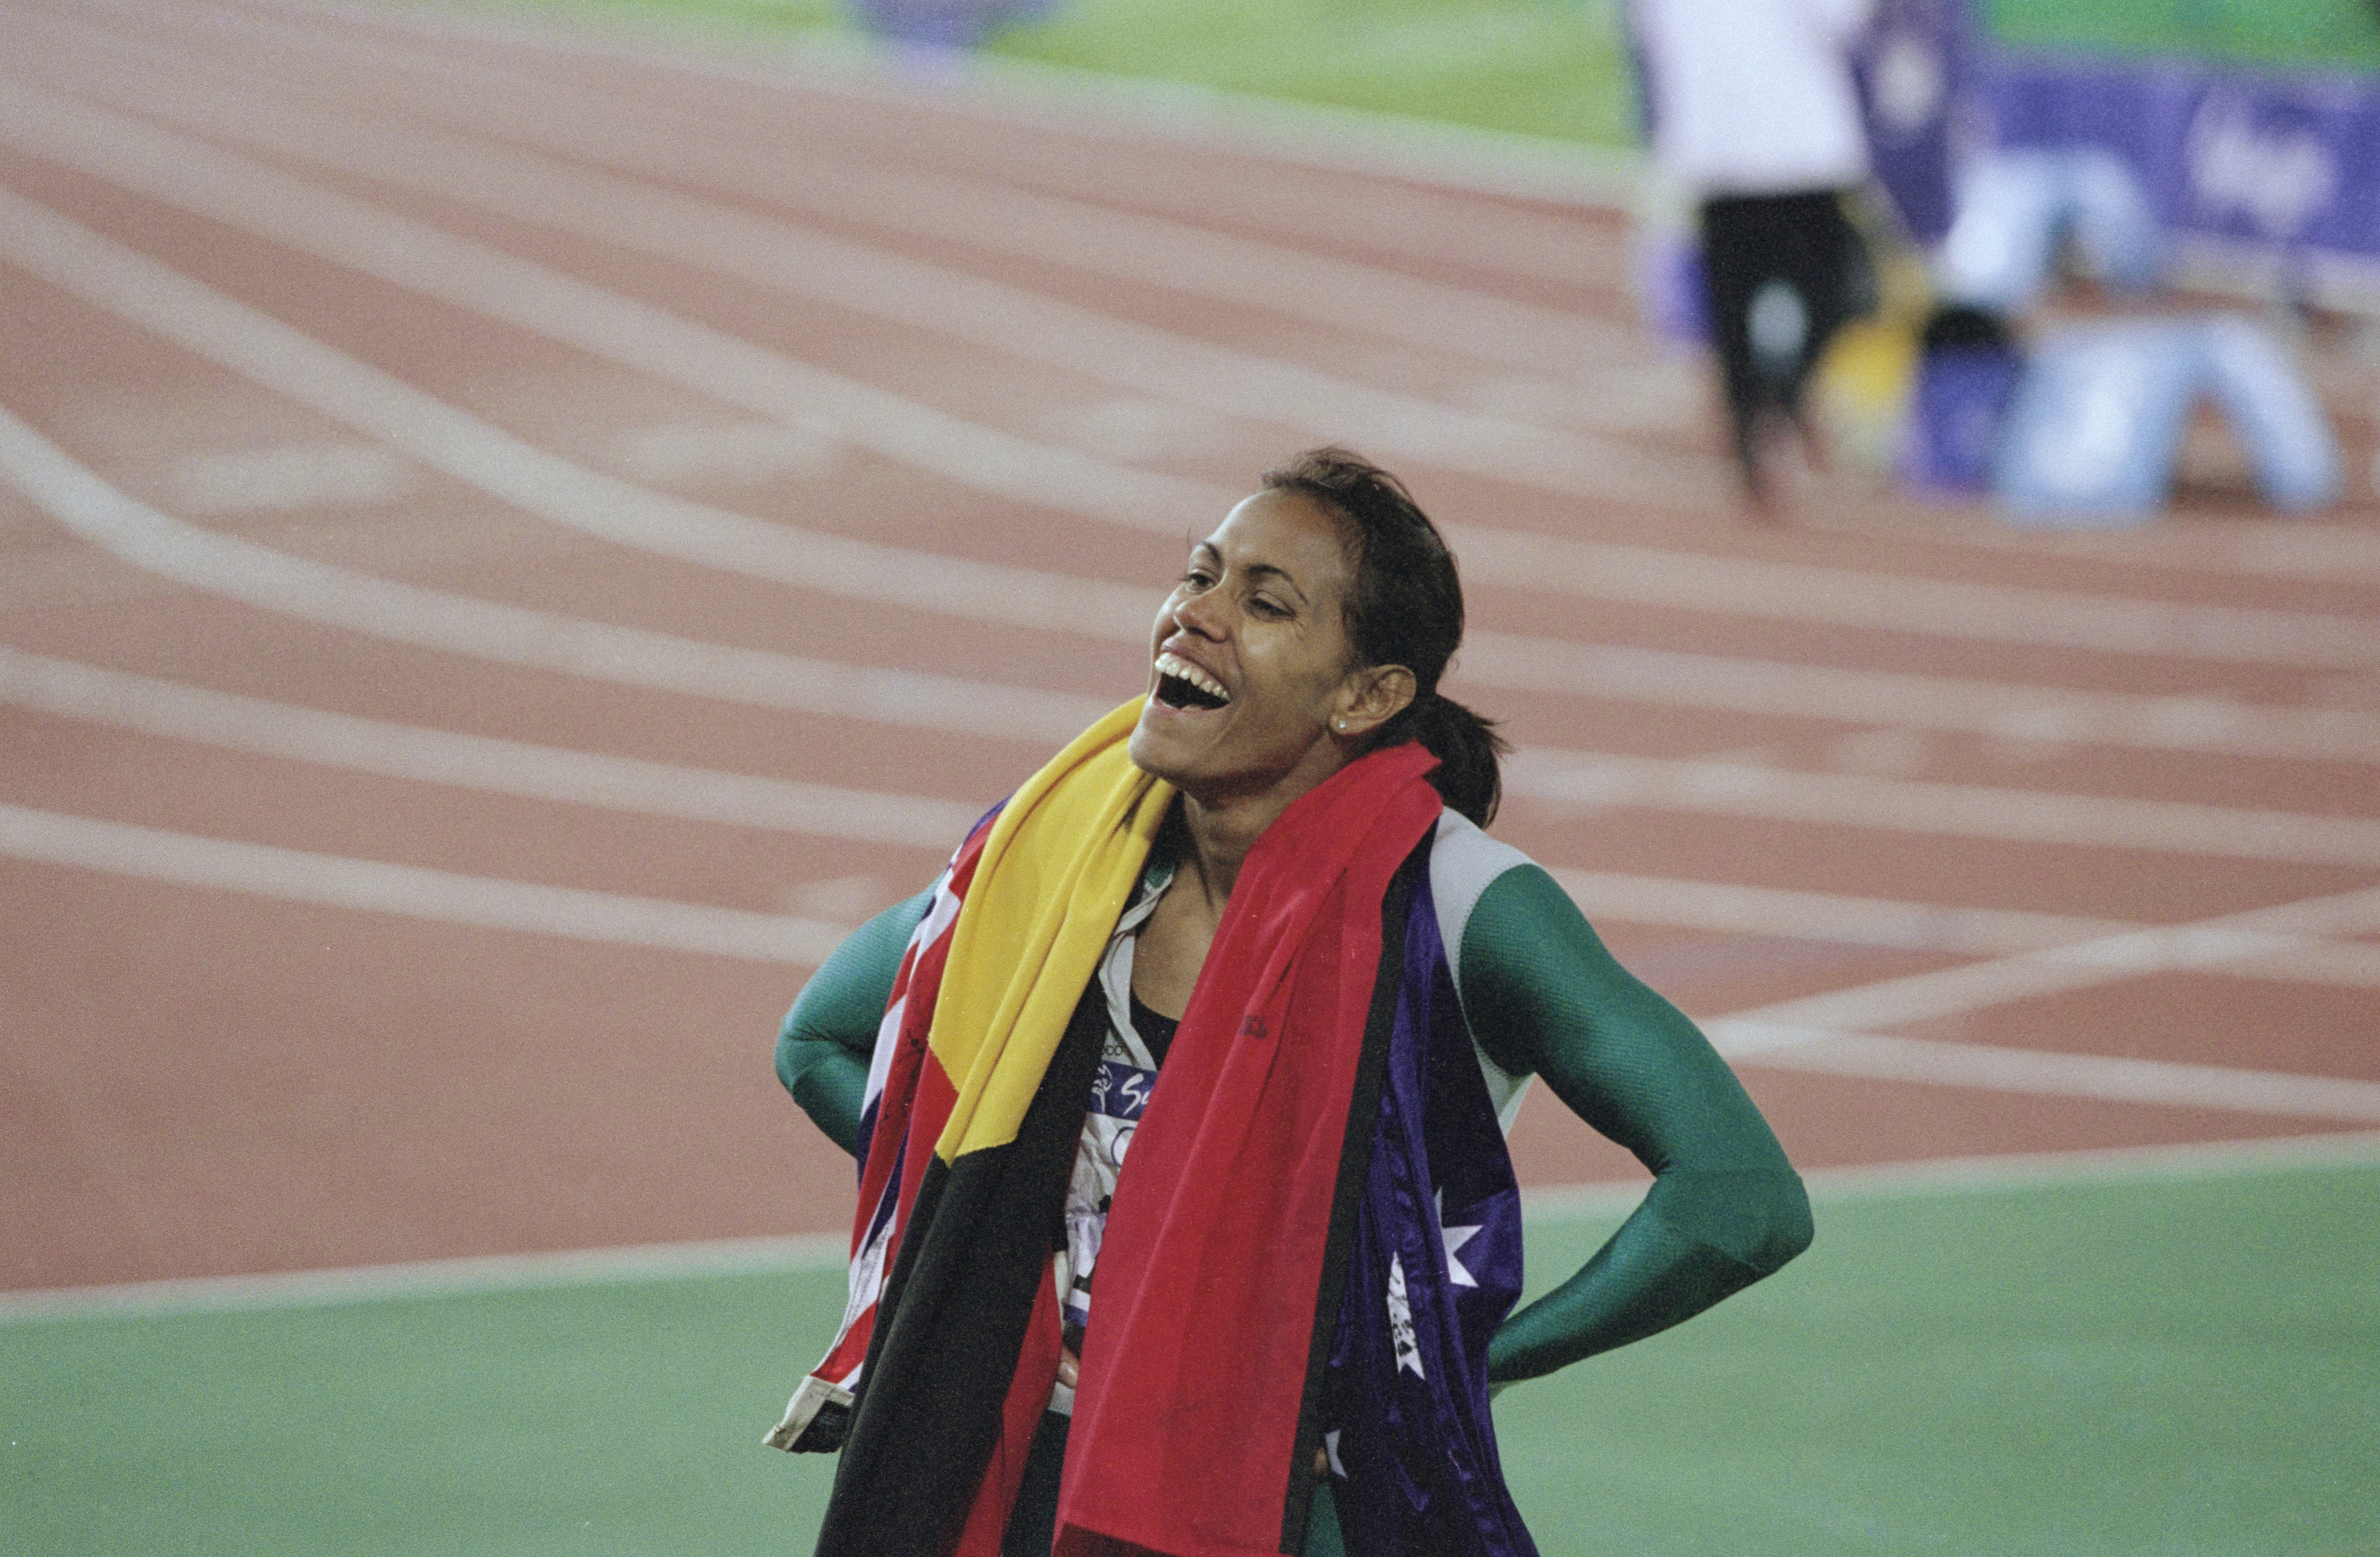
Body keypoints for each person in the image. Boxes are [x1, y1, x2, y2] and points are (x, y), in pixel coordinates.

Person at [769, 449, 1812, 1557]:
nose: (1195, 616)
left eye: (1264, 603)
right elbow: (819, 1040)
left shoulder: (1456, 906)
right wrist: (1004, 1236)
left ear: (1368, 696)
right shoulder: (1063, 865)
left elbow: (1742, 1198)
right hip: (1026, 1482)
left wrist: (1455, 1365)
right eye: (1201, 574)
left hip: (1286, 1507)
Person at [1630, 0, 1881, 507]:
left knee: (1735, 301)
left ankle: (1760, 411)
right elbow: (1844, 21)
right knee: (1830, 287)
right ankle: (1778, 398)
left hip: (1725, 144)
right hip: (1796, 143)